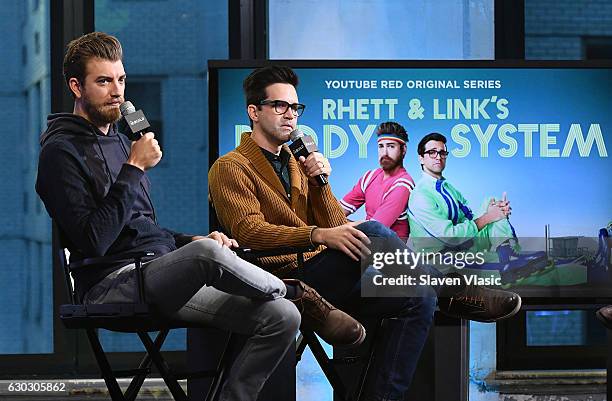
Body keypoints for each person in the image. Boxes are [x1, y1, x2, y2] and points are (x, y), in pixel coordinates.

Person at [35, 32, 363, 401]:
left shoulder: (121, 143)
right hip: (111, 285)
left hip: (157, 272)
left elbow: (144, 230)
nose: (117, 91)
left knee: (281, 317)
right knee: (215, 260)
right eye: (104, 81)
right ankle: (297, 291)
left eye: (121, 80)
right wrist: (134, 169)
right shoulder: (59, 153)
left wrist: (191, 241)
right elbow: (94, 239)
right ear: (76, 86)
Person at [209, 65, 522, 401]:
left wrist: (319, 183)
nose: (291, 116)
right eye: (280, 106)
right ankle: (451, 290)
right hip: (279, 279)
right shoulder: (230, 167)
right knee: (372, 229)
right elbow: (250, 231)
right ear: (253, 112)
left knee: (419, 297)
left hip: (322, 276)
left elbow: (333, 225)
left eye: (295, 108)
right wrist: (316, 236)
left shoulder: (298, 163)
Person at [407, 132, 546, 282]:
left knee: (490, 202)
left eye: (442, 152)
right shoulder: (420, 195)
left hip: (463, 246)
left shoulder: (448, 188)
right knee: (489, 215)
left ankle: (507, 256)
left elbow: (469, 218)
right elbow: (449, 237)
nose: (438, 157)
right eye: (432, 153)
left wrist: (496, 212)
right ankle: (505, 266)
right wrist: (489, 217)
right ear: (421, 158)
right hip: (440, 259)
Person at [340, 121, 414, 240]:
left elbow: (374, 229)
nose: (384, 153)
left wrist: (338, 226)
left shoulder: (403, 185)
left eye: (391, 146)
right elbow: (337, 212)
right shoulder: (370, 176)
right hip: (366, 243)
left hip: (388, 251)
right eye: (381, 146)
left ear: (403, 149)